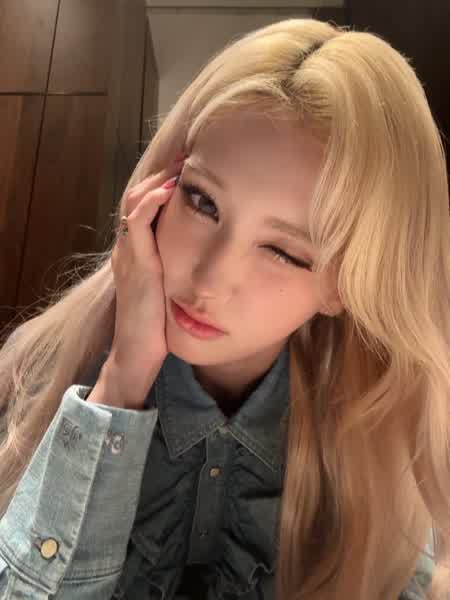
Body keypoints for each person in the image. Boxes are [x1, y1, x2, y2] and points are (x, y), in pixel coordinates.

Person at [0, 16, 448, 600]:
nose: (210, 279)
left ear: (345, 287)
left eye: (284, 252)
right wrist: (122, 381)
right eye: (201, 201)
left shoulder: (385, 454)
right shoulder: (38, 369)